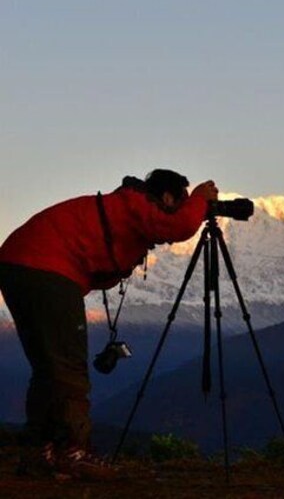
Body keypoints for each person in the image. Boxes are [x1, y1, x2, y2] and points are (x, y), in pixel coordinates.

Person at [0, 169, 218, 480]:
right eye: (179, 201)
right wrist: (199, 200)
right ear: (167, 197)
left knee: (49, 368)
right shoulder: (137, 205)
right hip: (45, 268)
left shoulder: (124, 207)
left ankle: (40, 452)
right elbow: (178, 226)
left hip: (17, 264)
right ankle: (73, 453)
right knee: (68, 368)